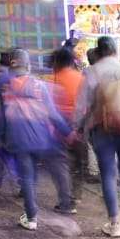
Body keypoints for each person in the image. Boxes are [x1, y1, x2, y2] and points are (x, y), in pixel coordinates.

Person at [0, 50, 76, 230]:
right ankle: (39, 209)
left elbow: (2, 117)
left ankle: (31, 218)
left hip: (18, 138)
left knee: (27, 178)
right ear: (28, 65)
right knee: (33, 176)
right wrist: (68, 132)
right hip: (40, 138)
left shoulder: (7, 87)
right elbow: (52, 114)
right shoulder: (40, 86)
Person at [74, 36, 120, 237]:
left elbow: (81, 105)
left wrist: (77, 126)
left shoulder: (92, 72)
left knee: (108, 173)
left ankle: (115, 224)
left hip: (102, 127)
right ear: (115, 50)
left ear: (99, 51)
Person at [50, 46, 88, 207]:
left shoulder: (55, 79)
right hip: (80, 124)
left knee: (61, 163)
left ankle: (66, 200)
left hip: (61, 127)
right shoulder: (81, 78)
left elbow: (51, 106)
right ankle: (77, 195)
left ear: (57, 62)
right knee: (78, 163)